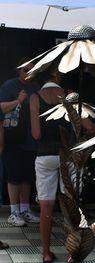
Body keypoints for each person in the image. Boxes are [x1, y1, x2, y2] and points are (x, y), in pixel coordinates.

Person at [30, 67, 68, 263]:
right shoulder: (67, 95)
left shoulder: (35, 97)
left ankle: (46, 253)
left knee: (46, 206)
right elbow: (86, 125)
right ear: (56, 75)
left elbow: (36, 134)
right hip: (66, 154)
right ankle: (73, 254)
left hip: (44, 155)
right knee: (70, 206)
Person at [0, 57, 40, 227]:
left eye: (32, 70)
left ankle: (25, 210)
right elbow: (1, 107)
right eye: (26, 70)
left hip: (30, 139)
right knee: (14, 176)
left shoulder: (35, 87)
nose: (28, 74)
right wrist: (18, 100)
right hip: (13, 138)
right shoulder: (10, 85)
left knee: (26, 176)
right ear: (19, 70)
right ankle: (14, 212)